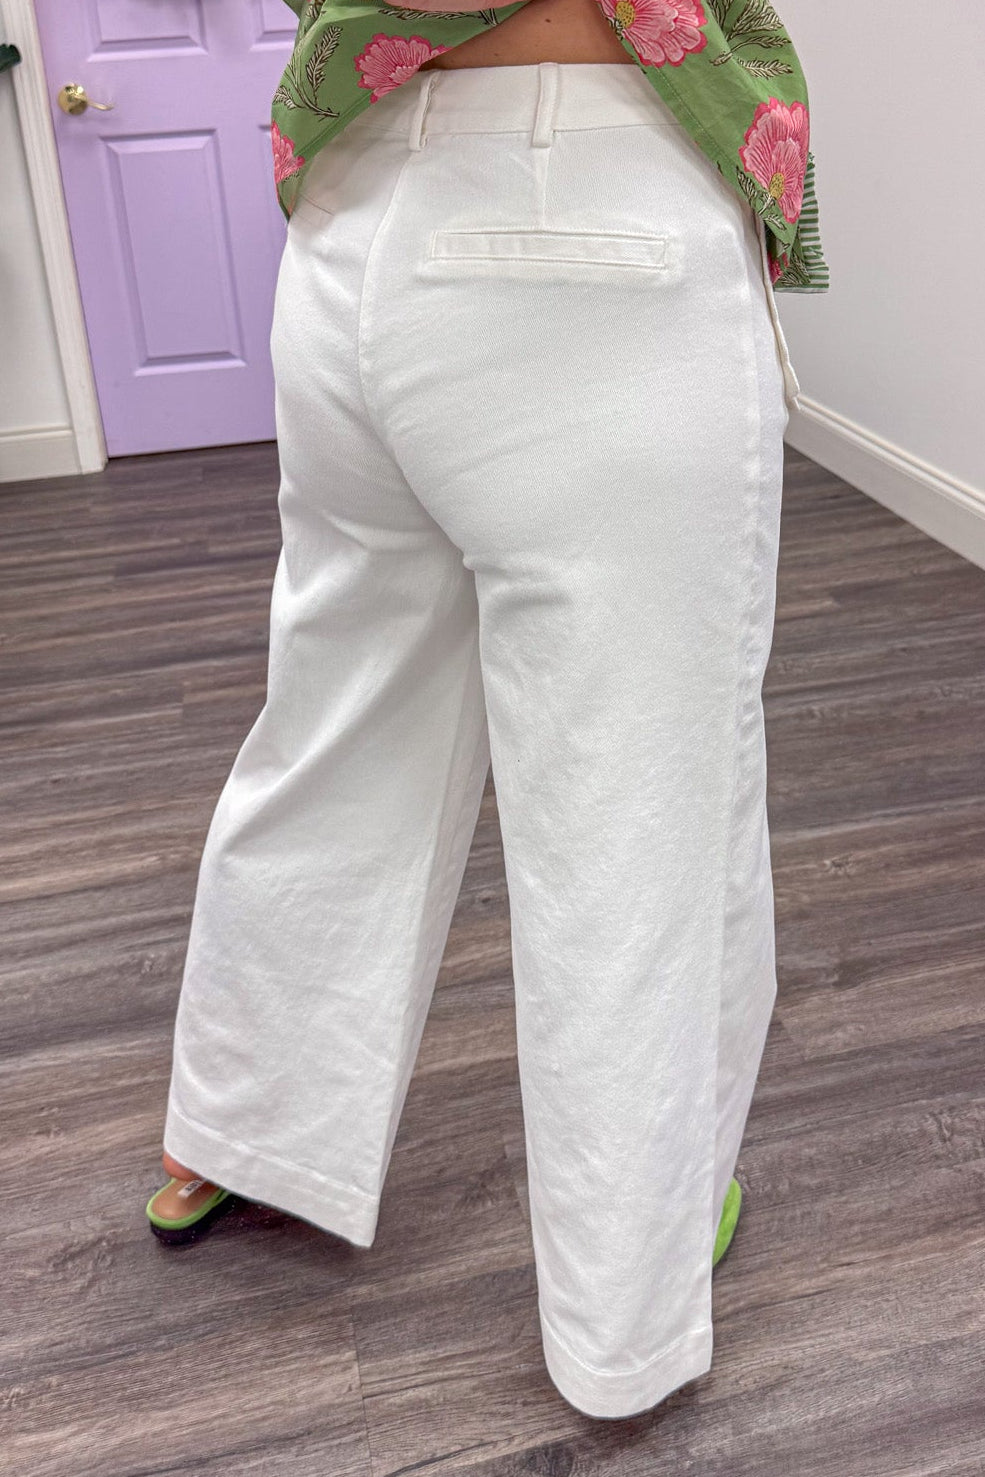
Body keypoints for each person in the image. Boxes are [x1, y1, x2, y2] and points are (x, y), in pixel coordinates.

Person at [145, 0, 828, 1421]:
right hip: (590, 221)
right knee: (635, 807)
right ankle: (621, 1310)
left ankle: (245, 1125)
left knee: (339, 727)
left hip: (355, 213)